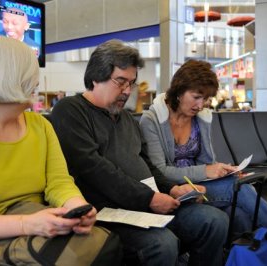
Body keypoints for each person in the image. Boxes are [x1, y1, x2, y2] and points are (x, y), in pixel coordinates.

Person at [0, 36, 120, 265]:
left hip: (30, 225)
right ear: (10, 77)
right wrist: (28, 224)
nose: (36, 79)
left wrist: (76, 207)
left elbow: (59, 183)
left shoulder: (40, 126)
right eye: (31, 71)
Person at [49, 39, 229, 266]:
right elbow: (92, 167)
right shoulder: (70, 110)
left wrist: (172, 188)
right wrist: (149, 198)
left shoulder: (126, 119)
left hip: (144, 206)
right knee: (162, 244)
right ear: (96, 76)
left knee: (214, 221)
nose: (127, 91)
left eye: (131, 83)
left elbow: (147, 164)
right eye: (120, 82)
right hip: (106, 213)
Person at [139, 59, 267, 264]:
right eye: (196, 97)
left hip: (202, 188)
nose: (200, 104)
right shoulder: (152, 120)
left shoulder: (201, 119)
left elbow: (208, 161)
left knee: (240, 205)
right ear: (179, 91)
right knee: (241, 194)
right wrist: (207, 171)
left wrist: (224, 171)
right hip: (173, 189)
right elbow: (159, 172)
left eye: (205, 98)